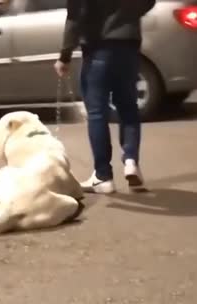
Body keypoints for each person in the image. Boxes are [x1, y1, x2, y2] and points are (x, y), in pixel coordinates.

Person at [54, 0, 155, 194]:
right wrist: (128, 15)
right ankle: (131, 161)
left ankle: (103, 176)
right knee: (128, 107)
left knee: (97, 112)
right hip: (129, 46)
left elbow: (75, 16)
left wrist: (64, 55)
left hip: (98, 46)